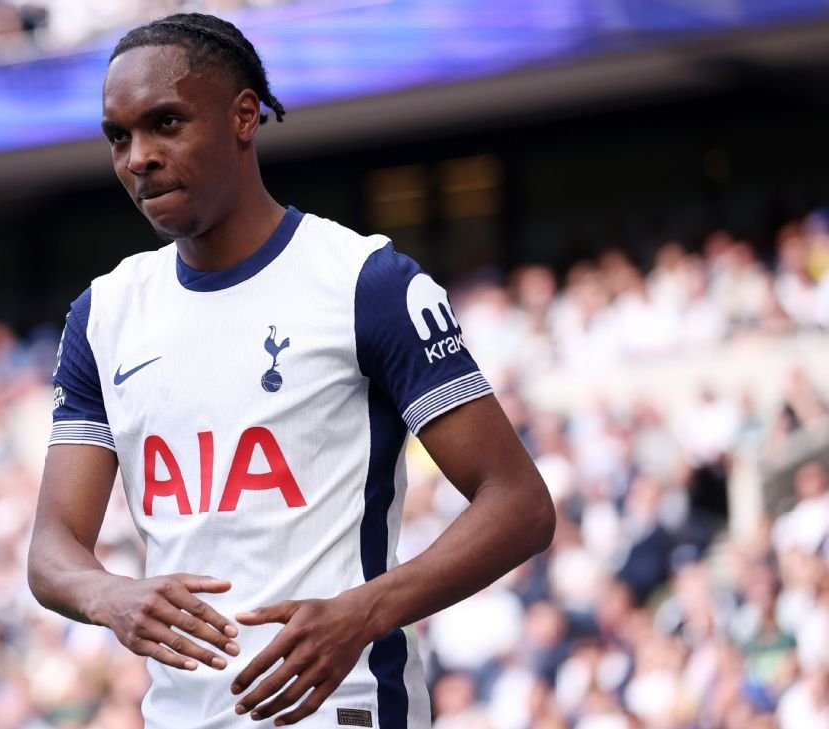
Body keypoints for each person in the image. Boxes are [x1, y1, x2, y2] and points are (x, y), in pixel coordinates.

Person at [27, 13, 555, 729]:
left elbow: (520, 505)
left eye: (166, 123)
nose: (139, 158)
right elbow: (53, 546)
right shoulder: (103, 313)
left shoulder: (366, 282)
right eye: (119, 137)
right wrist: (108, 595)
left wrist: (363, 612)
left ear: (244, 116)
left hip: (343, 709)